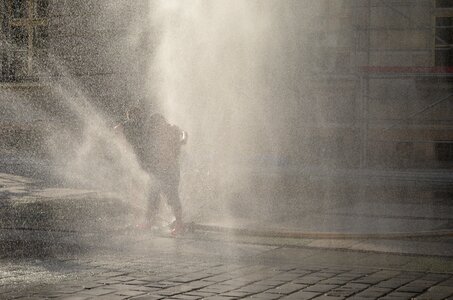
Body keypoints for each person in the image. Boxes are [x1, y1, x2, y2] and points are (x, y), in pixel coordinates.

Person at [117, 106, 188, 235]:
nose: (156, 128)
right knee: (153, 195)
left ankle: (179, 224)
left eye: (157, 125)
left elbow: (184, 134)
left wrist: (182, 140)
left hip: (170, 170)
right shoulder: (152, 135)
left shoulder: (171, 130)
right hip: (159, 170)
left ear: (162, 123)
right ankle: (150, 221)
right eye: (154, 126)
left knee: (172, 197)